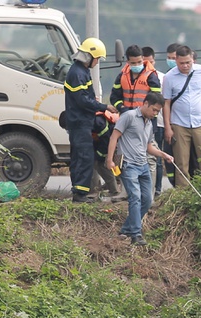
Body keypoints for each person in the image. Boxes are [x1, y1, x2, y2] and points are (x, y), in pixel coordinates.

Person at [107, 92, 173, 245]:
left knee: (148, 200)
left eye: (158, 111)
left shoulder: (149, 123)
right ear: (145, 104)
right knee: (135, 197)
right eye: (154, 110)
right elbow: (114, 137)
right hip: (128, 165)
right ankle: (136, 234)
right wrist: (110, 160)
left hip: (143, 165)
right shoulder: (128, 116)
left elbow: (148, 146)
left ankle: (126, 229)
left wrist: (163, 154)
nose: (155, 114)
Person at [64, 37, 116, 203]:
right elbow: (82, 100)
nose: (98, 62)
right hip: (79, 123)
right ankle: (80, 195)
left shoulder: (81, 71)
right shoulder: (78, 73)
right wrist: (104, 107)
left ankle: (79, 193)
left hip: (81, 121)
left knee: (80, 157)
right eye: (98, 58)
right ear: (90, 56)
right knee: (84, 158)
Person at [162, 45, 201, 187]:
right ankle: (183, 194)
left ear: (192, 60)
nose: (185, 66)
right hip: (179, 123)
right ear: (176, 61)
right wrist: (167, 127)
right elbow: (166, 103)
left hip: (200, 122)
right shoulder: (169, 77)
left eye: (188, 62)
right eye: (182, 63)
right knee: (182, 162)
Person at [110, 45, 162, 197]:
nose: (137, 65)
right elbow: (115, 97)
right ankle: (125, 192)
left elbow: (156, 99)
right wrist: (123, 108)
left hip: (146, 119)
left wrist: (144, 112)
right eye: (133, 63)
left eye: (139, 62)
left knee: (149, 157)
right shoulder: (122, 75)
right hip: (127, 118)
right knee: (123, 156)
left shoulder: (151, 75)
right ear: (128, 61)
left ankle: (149, 195)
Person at [142, 46, 166, 197]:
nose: (148, 65)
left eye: (151, 62)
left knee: (155, 157)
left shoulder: (161, 77)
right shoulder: (132, 77)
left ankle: (156, 189)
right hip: (139, 121)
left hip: (158, 123)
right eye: (145, 63)